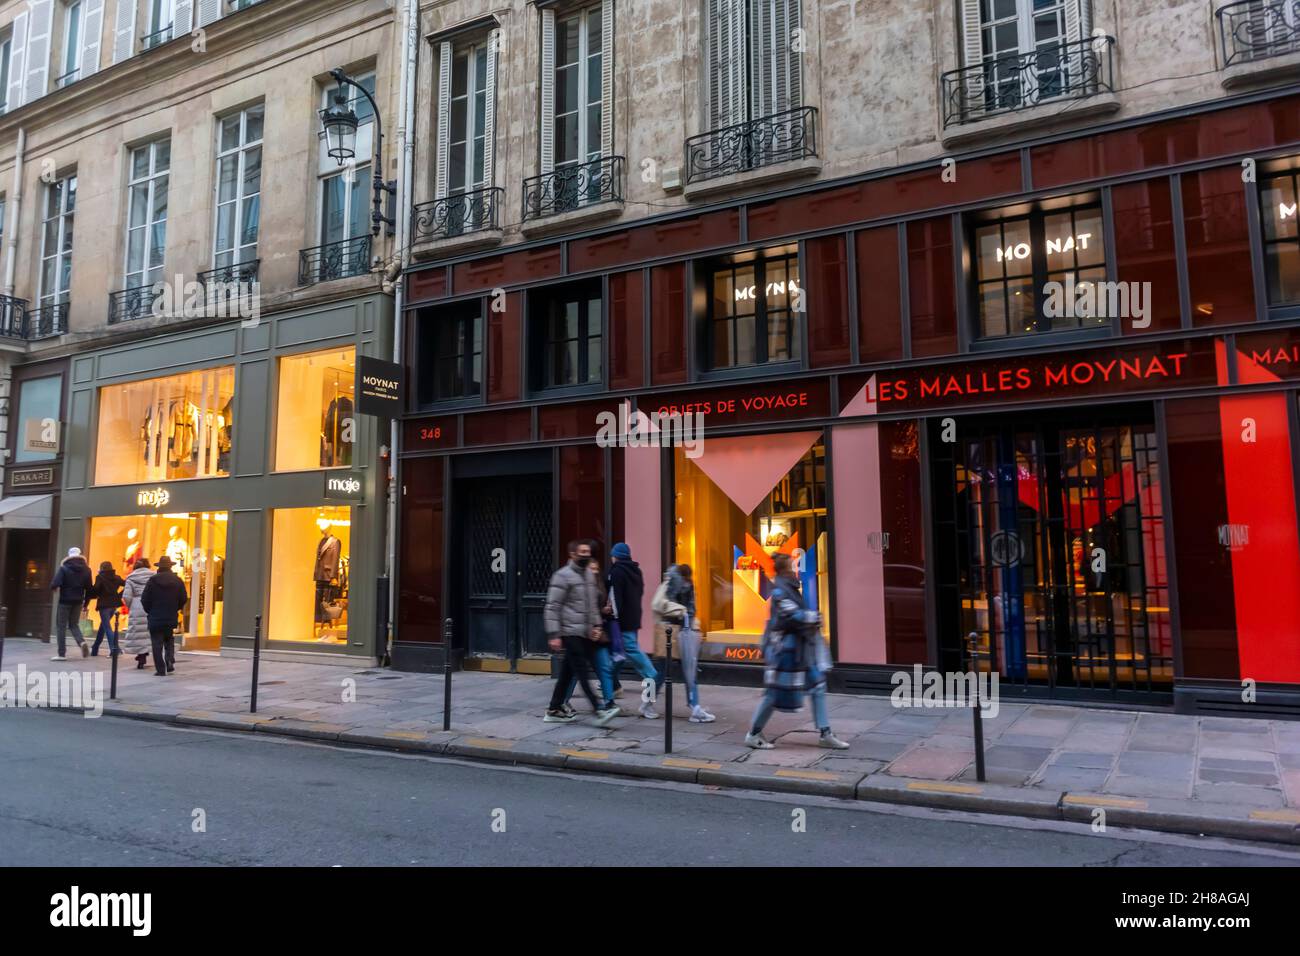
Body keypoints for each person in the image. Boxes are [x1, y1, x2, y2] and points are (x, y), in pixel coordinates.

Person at [745, 552, 850, 751]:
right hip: (785, 653)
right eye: (793, 566)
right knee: (773, 693)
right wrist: (814, 617)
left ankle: (825, 733)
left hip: (799, 651)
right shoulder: (780, 591)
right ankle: (753, 733)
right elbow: (791, 615)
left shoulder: (789, 587)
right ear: (786, 569)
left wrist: (810, 618)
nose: (796, 569)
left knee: (818, 686)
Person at [542, 540, 619, 726]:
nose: (586, 554)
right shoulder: (562, 576)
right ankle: (599, 710)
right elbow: (553, 606)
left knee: (568, 673)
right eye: (582, 551)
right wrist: (553, 634)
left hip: (585, 632)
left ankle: (553, 708)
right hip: (569, 631)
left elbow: (593, 606)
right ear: (572, 554)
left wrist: (597, 626)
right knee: (583, 672)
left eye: (588, 551)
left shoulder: (589, 576)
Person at [606, 542, 661, 719]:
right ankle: (611, 690)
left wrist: (611, 617)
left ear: (615, 556)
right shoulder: (636, 571)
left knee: (649, 672)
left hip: (620, 624)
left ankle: (647, 705)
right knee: (617, 659)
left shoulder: (616, 572)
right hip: (634, 621)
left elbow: (615, 600)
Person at [654, 563, 715, 723]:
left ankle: (695, 707)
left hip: (681, 631)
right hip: (671, 630)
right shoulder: (670, 583)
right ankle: (646, 702)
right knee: (663, 672)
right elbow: (657, 604)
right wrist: (681, 610)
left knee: (687, 670)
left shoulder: (682, 584)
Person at [140, 555, 187, 677]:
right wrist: (175, 608)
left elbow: (144, 599)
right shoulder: (177, 581)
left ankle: (160, 670)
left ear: (159, 567)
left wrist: (150, 611)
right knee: (169, 638)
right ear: (170, 567)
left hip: (155, 617)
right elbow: (183, 598)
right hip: (170, 615)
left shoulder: (152, 581)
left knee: (156, 644)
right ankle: (170, 659)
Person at [48, 547, 93, 661]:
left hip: (65, 600)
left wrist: (54, 588)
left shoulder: (64, 568)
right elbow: (89, 589)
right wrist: (86, 603)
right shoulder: (87, 570)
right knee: (74, 624)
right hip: (78, 601)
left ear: (68, 556)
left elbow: (55, 583)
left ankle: (61, 654)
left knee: (61, 626)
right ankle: (81, 642)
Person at [120, 558, 155, 670]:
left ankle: (140, 656)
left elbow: (126, 596)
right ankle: (144, 654)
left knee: (137, 631)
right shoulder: (153, 576)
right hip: (150, 605)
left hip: (136, 605)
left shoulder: (131, 578)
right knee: (146, 632)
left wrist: (132, 605)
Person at [88, 561, 126, 657]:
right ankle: (95, 648)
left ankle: (114, 649)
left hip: (104, 606)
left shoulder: (100, 577)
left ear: (102, 568)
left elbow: (96, 589)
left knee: (107, 627)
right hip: (113, 606)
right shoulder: (116, 577)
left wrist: (92, 593)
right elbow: (127, 584)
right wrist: (118, 596)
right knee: (103, 626)